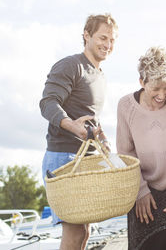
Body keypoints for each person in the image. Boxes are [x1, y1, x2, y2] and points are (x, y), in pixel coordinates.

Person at [39, 14, 118, 250]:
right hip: (64, 158)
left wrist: (102, 138)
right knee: (74, 233)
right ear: (86, 35)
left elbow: (90, 117)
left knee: (84, 232)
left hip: (85, 159)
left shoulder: (100, 75)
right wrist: (72, 125)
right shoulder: (71, 65)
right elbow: (48, 102)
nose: (108, 44)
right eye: (103, 38)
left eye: (112, 40)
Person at [116, 46, 166, 250]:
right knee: (146, 245)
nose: (162, 95)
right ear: (142, 82)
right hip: (141, 189)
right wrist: (140, 191)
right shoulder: (125, 106)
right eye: (155, 89)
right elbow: (126, 153)